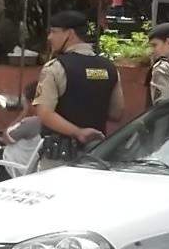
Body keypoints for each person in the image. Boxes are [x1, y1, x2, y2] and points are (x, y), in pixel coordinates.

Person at [33, 10, 124, 165]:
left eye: (54, 32)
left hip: (59, 158)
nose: (49, 38)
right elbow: (116, 113)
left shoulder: (56, 67)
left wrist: (79, 132)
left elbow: (44, 113)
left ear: (70, 33)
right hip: (95, 156)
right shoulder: (109, 68)